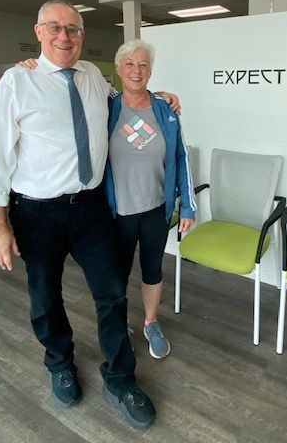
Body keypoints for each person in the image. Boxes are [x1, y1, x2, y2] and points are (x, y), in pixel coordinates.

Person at [0, 0, 171, 430]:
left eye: (73, 29)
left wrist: (160, 100)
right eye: (55, 28)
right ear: (39, 31)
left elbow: (129, 102)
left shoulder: (93, 78)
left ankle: (120, 378)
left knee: (112, 292)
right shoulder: (17, 81)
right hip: (36, 212)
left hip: (90, 209)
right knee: (45, 297)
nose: (64, 37)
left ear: (82, 36)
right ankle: (59, 363)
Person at [104, 40, 195, 360]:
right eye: (129, 64)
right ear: (118, 69)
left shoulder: (165, 110)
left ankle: (151, 322)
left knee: (152, 269)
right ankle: (118, 325)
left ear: (151, 71)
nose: (136, 70)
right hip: (118, 212)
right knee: (116, 273)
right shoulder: (105, 107)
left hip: (157, 209)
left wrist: (187, 205)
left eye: (143, 64)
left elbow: (181, 158)